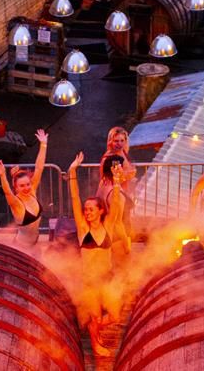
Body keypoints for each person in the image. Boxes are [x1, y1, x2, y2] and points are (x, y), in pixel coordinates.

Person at [68, 151, 125, 357]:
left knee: (115, 316)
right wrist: (72, 171)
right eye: (86, 209)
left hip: (107, 279)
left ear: (101, 210)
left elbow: (117, 206)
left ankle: (97, 329)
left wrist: (117, 182)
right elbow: (75, 198)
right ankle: (96, 344)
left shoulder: (108, 226)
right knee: (94, 318)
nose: (87, 212)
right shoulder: (84, 229)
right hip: (90, 282)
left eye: (91, 209)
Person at [0, 129, 49, 247]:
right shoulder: (17, 204)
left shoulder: (32, 191)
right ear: (15, 187)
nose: (26, 187)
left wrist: (43, 145)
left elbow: (39, 168)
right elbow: (7, 192)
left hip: (35, 241)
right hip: (23, 246)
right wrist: (2, 175)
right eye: (22, 186)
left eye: (28, 184)